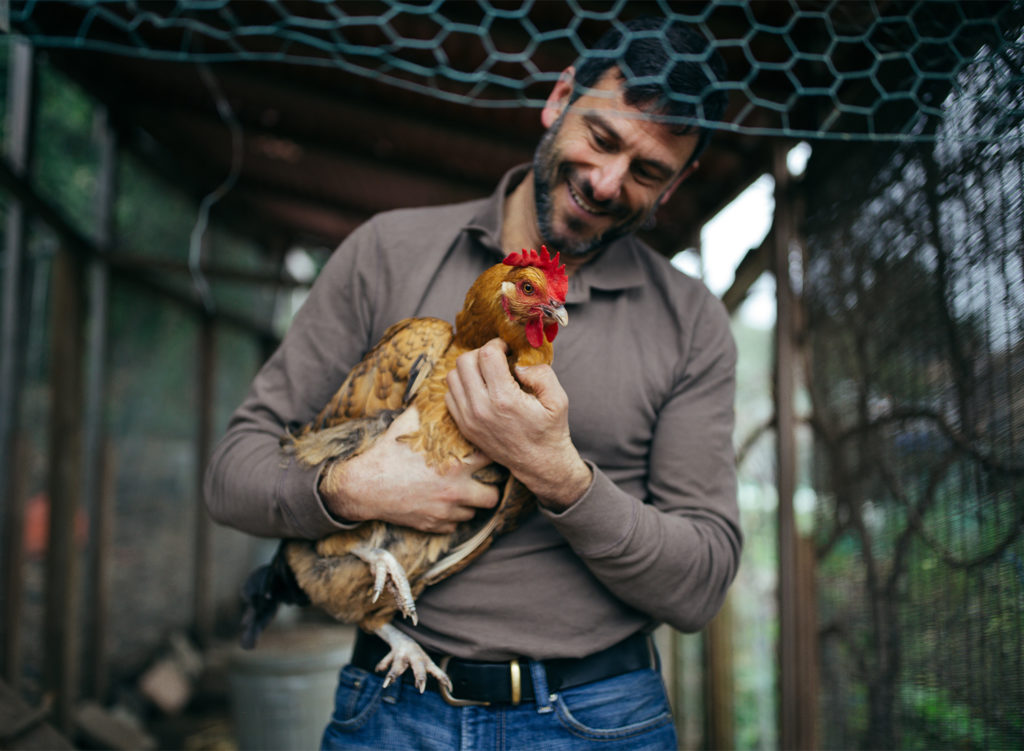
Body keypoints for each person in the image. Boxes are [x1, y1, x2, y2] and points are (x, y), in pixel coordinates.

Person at [205, 16, 741, 750]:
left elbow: (701, 582)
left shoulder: (691, 322)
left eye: (647, 171)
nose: (606, 181)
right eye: (603, 138)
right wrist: (349, 488)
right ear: (559, 100)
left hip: (600, 714)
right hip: (395, 697)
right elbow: (232, 474)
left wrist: (560, 476)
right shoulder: (387, 252)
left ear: (676, 184)